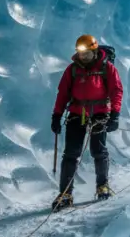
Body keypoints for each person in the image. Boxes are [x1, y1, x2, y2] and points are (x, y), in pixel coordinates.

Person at [51, 34, 123, 211]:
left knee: (98, 150)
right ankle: (65, 193)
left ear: (94, 50)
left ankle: (102, 186)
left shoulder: (107, 68)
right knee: (71, 153)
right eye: (80, 53)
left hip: (99, 113)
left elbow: (116, 91)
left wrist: (115, 114)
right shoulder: (72, 69)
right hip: (77, 113)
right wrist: (56, 115)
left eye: (86, 53)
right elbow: (62, 94)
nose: (82, 56)